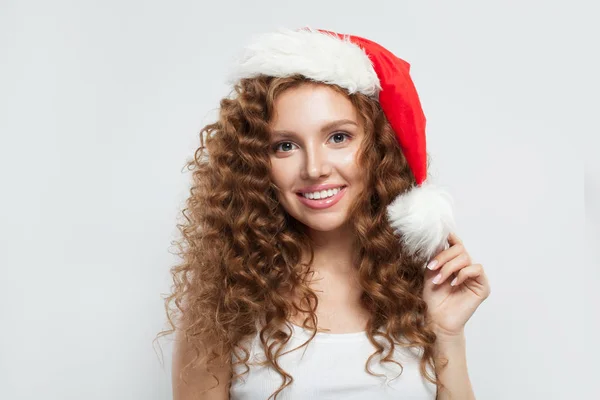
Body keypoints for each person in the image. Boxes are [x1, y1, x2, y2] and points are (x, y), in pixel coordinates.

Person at [160, 28, 491, 400]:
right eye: (285, 146)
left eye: (338, 137)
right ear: (255, 163)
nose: (314, 168)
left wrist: (448, 336)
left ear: (379, 147)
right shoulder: (226, 294)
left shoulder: (423, 281)